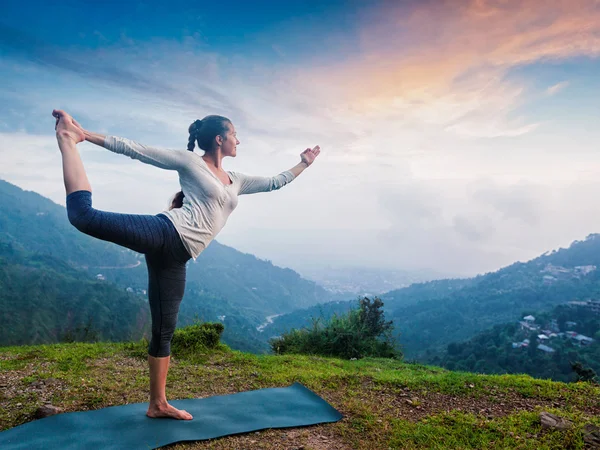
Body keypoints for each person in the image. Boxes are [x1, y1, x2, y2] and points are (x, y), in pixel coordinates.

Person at [52, 109, 320, 420]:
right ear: (220, 139)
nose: (239, 140)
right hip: (165, 232)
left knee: (164, 330)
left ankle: (157, 404)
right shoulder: (191, 162)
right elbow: (135, 149)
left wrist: (304, 163)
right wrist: (85, 135)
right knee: (83, 216)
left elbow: (276, 181)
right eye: (234, 135)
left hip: (177, 256)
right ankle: (68, 140)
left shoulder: (238, 180)